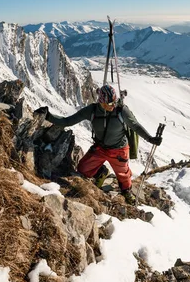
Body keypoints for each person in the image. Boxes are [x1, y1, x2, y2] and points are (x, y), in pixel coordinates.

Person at [34, 85, 162, 204]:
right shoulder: (92, 110)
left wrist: (150, 139)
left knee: (123, 175)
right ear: (101, 102)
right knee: (83, 169)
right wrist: (48, 115)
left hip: (119, 149)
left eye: (114, 102)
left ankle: (126, 191)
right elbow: (68, 121)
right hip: (100, 147)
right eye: (109, 103)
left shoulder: (121, 111)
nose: (112, 105)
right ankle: (101, 173)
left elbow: (135, 126)